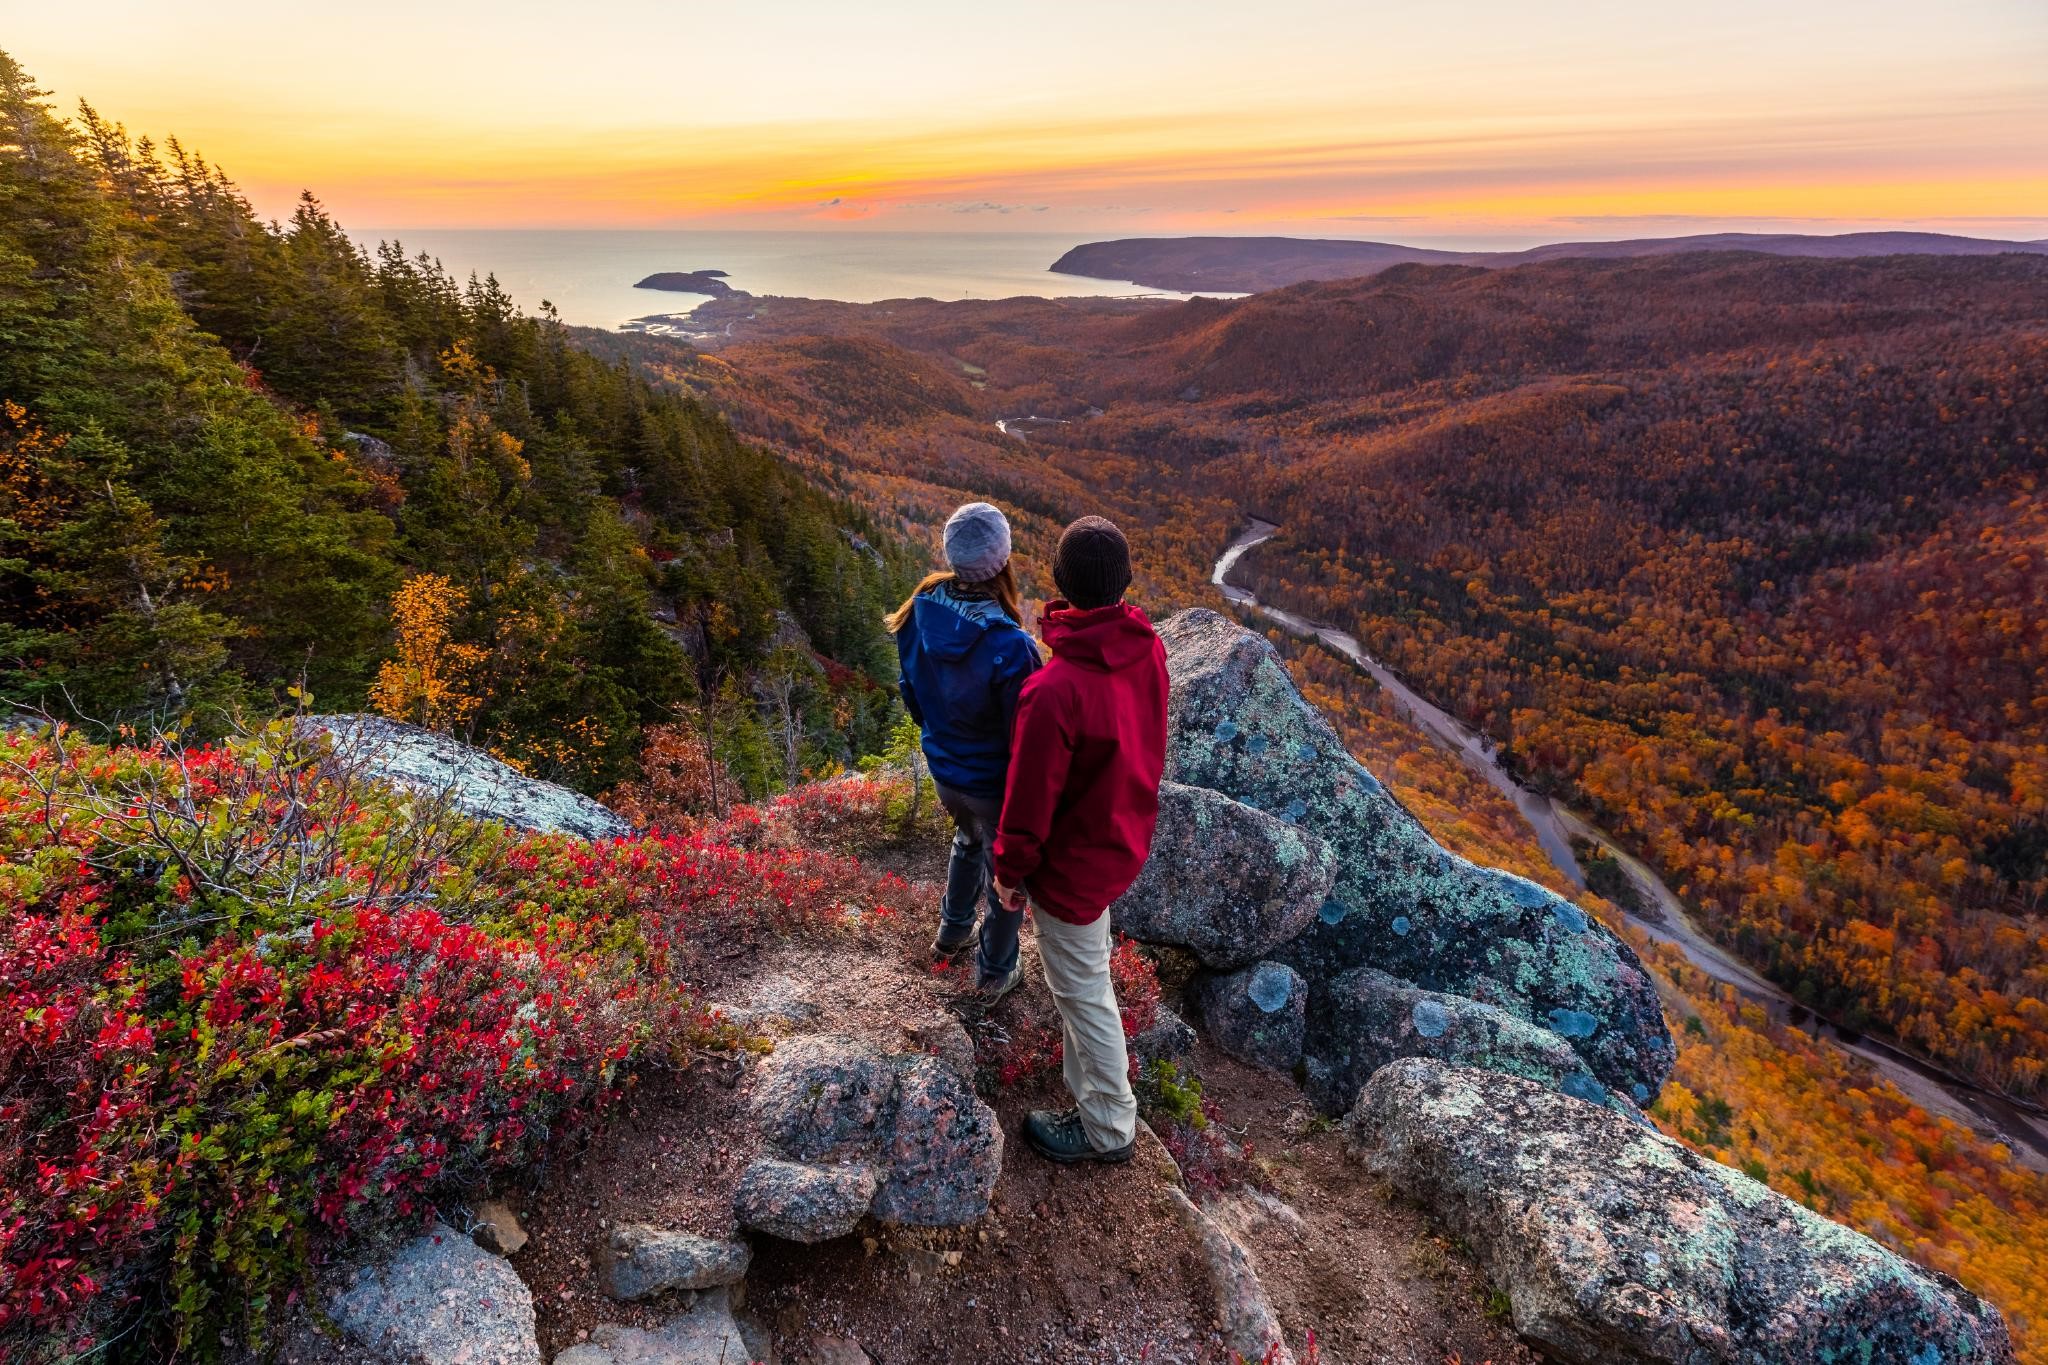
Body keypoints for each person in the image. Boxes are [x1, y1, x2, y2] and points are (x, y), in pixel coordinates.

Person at [993, 516, 1167, 1164]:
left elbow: (1028, 803)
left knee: (1083, 991)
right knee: (1085, 975)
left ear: (1061, 584)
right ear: (1124, 584)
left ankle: (1107, 1128)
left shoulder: (1054, 690)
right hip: (1118, 839)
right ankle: (1091, 1095)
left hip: (1072, 869)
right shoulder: (1145, 647)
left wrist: (1011, 872)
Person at [888, 502, 1041, 1000]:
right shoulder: (1010, 645)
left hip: (944, 769)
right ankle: (996, 971)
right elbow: (1023, 737)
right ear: (1002, 560)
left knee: (966, 839)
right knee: (1005, 875)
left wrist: (941, 738)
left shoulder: (918, 608)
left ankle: (952, 932)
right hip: (991, 782)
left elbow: (910, 690)